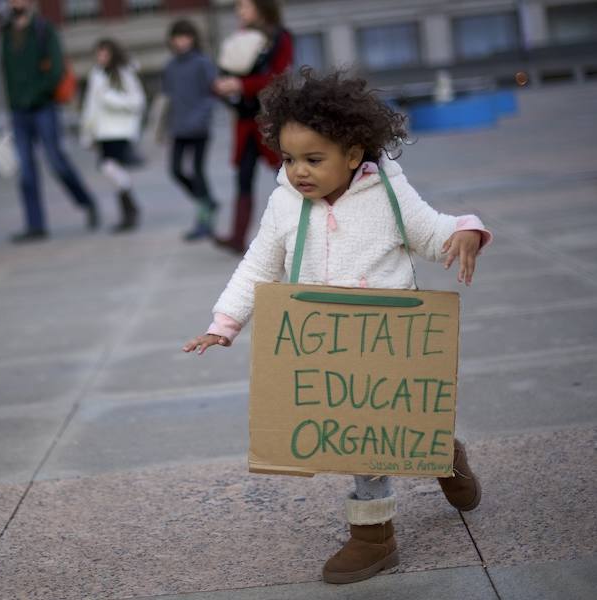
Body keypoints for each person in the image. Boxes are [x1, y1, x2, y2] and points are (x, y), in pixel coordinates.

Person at [183, 69, 492, 584]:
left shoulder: (388, 193)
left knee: (389, 430)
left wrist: (466, 231)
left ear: (353, 153)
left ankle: (408, 495)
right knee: (361, 440)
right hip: (327, 348)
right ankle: (402, 499)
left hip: (389, 344)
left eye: (313, 159)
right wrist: (225, 323)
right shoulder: (285, 203)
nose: (298, 171)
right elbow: (259, 265)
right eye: (288, 159)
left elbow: (432, 232)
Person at [1, 0, 99, 243]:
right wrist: (14, 103)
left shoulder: (44, 30)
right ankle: (36, 225)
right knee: (25, 171)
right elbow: (6, 73)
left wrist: (35, 93)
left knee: (56, 161)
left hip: (44, 107)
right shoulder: (6, 33)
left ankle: (87, 202)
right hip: (18, 112)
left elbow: (56, 71)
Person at [214, 0, 293, 254]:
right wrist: (224, 87)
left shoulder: (281, 37)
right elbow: (228, 69)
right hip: (246, 121)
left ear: (261, 7)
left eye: (244, 7)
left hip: (269, 119)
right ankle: (238, 237)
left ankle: (304, 226)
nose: (240, 12)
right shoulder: (242, 36)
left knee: (288, 176)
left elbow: (278, 77)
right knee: (244, 177)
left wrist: (241, 85)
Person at [80, 39, 146, 233]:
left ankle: (129, 210)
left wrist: (110, 99)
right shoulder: (96, 75)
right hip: (102, 131)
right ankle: (129, 210)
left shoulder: (125, 73)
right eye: (98, 54)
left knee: (108, 167)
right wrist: (87, 132)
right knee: (110, 170)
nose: (101, 58)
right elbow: (90, 106)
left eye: (105, 54)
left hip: (120, 130)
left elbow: (137, 102)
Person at [161, 20, 218, 241]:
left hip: (199, 128)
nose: (181, 41)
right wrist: (165, 127)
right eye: (177, 37)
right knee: (175, 171)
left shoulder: (202, 63)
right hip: (178, 129)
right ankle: (208, 202)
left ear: (193, 38)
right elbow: (168, 99)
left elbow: (212, 94)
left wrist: (200, 117)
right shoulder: (170, 67)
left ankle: (204, 221)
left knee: (198, 172)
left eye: (185, 36)